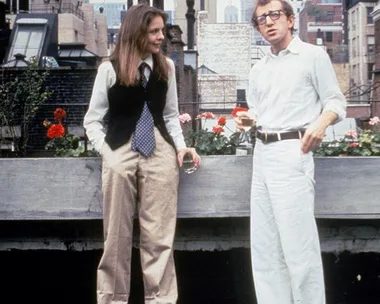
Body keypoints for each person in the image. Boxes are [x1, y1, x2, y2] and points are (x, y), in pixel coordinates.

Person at [83, 4, 200, 304]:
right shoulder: (109, 69)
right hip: (120, 149)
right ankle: (112, 300)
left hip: (160, 151)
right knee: (116, 238)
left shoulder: (167, 68)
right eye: (154, 32)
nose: (161, 37)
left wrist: (181, 145)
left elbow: (172, 115)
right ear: (136, 33)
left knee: (159, 237)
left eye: (162, 30)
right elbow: (92, 121)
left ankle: (161, 300)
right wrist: (108, 155)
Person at [235, 0, 347, 303]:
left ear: (290, 19)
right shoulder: (258, 68)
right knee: (265, 248)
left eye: (274, 15)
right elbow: (256, 111)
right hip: (263, 154)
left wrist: (321, 124)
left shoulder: (313, 56)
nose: (268, 22)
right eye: (261, 19)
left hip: (293, 152)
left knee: (299, 247)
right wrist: (249, 118)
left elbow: (335, 102)